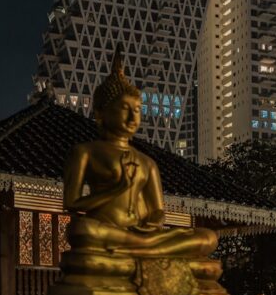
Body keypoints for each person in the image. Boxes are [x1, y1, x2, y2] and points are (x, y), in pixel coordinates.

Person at [63, 45, 217, 257]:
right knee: (80, 230)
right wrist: (116, 189)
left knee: (207, 237)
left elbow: (158, 211)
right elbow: (71, 203)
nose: (132, 118)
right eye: (125, 109)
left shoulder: (147, 162)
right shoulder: (85, 152)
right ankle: (146, 250)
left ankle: (137, 248)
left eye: (137, 110)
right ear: (101, 113)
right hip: (106, 228)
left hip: (141, 232)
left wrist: (153, 222)